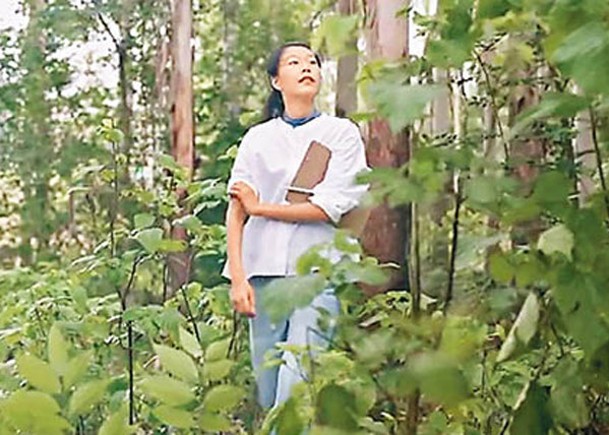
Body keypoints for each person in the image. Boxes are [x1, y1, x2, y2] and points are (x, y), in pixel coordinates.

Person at [222, 42, 369, 411]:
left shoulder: (341, 133)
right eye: (294, 62)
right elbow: (238, 209)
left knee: (298, 384)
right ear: (276, 80)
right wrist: (238, 279)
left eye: (312, 62)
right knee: (269, 388)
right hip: (263, 275)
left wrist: (262, 207)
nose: (306, 67)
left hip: (316, 274)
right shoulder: (258, 138)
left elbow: (328, 206)